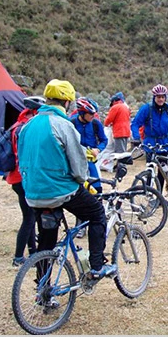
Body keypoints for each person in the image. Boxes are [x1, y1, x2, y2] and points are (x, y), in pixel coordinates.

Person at [17, 79, 116, 280]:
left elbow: (21, 159)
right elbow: (79, 168)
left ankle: (43, 290)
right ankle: (96, 267)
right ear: (67, 102)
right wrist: (83, 180)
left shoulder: (27, 126)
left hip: (34, 194)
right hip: (61, 191)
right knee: (97, 214)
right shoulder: (63, 125)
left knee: (46, 241)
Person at [7, 95, 45, 267]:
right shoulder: (25, 128)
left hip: (16, 178)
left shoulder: (18, 125)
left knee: (29, 216)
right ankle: (17, 257)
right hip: (22, 178)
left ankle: (32, 252)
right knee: (29, 218)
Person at [130, 84, 168, 206]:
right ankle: (149, 195)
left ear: (165, 97)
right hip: (150, 143)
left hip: (164, 143)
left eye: (163, 97)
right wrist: (136, 138)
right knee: (150, 169)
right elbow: (135, 123)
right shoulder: (146, 109)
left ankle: (159, 197)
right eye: (158, 97)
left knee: (162, 172)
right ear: (154, 97)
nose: (160, 99)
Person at [70, 97, 108, 238]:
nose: (93, 116)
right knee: (80, 192)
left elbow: (104, 140)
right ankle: (80, 225)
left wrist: (98, 149)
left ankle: (99, 220)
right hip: (77, 162)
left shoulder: (96, 124)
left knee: (97, 189)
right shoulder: (72, 122)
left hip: (92, 162)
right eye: (91, 114)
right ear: (82, 113)